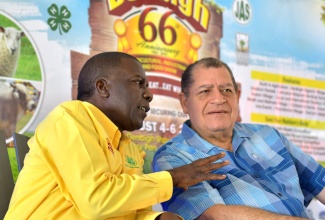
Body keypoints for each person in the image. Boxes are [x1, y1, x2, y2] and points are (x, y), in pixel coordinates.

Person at [5, 52, 230, 220]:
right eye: (138, 83)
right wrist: (173, 178)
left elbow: (126, 210)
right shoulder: (71, 118)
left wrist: (156, 218)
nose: (149, 94)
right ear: (102, 87)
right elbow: (97, 200)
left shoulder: (128, 146)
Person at [152, 57, 325, 220]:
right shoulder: (173, 157)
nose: (219, 99)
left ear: (238, 96)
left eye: (226, 90)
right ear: (184, 103)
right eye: (205, 91)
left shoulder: (268, 135)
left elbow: (320, 182)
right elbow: (212, 215)